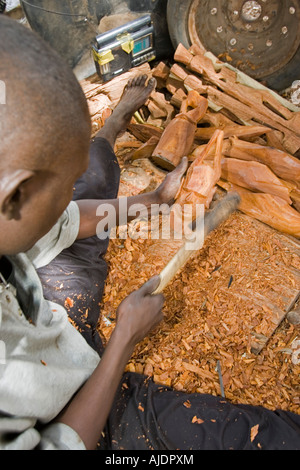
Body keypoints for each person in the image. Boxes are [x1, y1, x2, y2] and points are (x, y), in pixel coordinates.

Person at [0, 16, 299, 451]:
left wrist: (153, 201)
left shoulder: (14, 215)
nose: (69, 194)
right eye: (62, 184)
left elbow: (66, 218)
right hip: (75, 419)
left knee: (95, 174)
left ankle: (113, 122)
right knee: (265, 440)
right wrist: (122, 340)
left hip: (43, 304)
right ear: (14, 195)